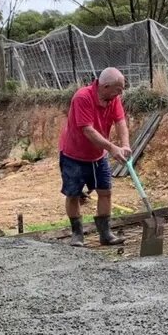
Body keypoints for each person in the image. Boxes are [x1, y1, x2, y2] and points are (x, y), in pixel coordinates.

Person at [58, 67, 132, 247]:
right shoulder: (82, 97)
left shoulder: (113, 99)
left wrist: (125, 145)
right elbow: (88, 130)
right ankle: (77, 234)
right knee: (73, 194)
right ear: (105, 86)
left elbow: (120, 122)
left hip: (98, 156)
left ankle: (105, 234)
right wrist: (112, 147)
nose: (120, 93)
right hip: (74, 155)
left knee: (105, 192)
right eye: (118, 89)